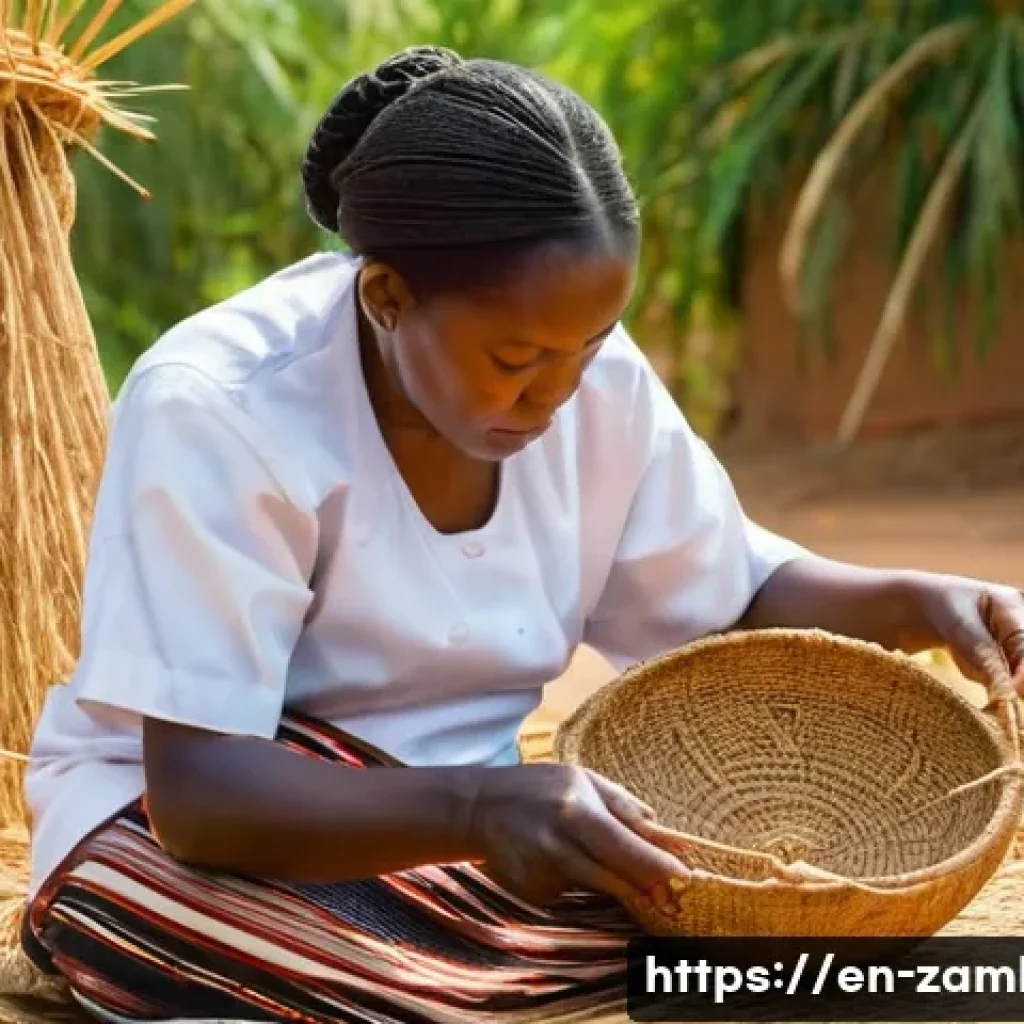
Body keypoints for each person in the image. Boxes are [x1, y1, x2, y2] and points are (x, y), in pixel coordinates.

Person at [19, 45, 1024, 1024]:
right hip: (208, 828)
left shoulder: (593, 378)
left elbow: (730, 600)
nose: (555, 395)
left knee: (709, 888)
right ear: (385, 298)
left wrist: (917, 602)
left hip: (487, 839)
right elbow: (204, 794)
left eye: (586, 349)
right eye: (516, 359)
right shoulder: (221, 405)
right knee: (221, 927)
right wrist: (473, 812)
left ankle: (503, 959)